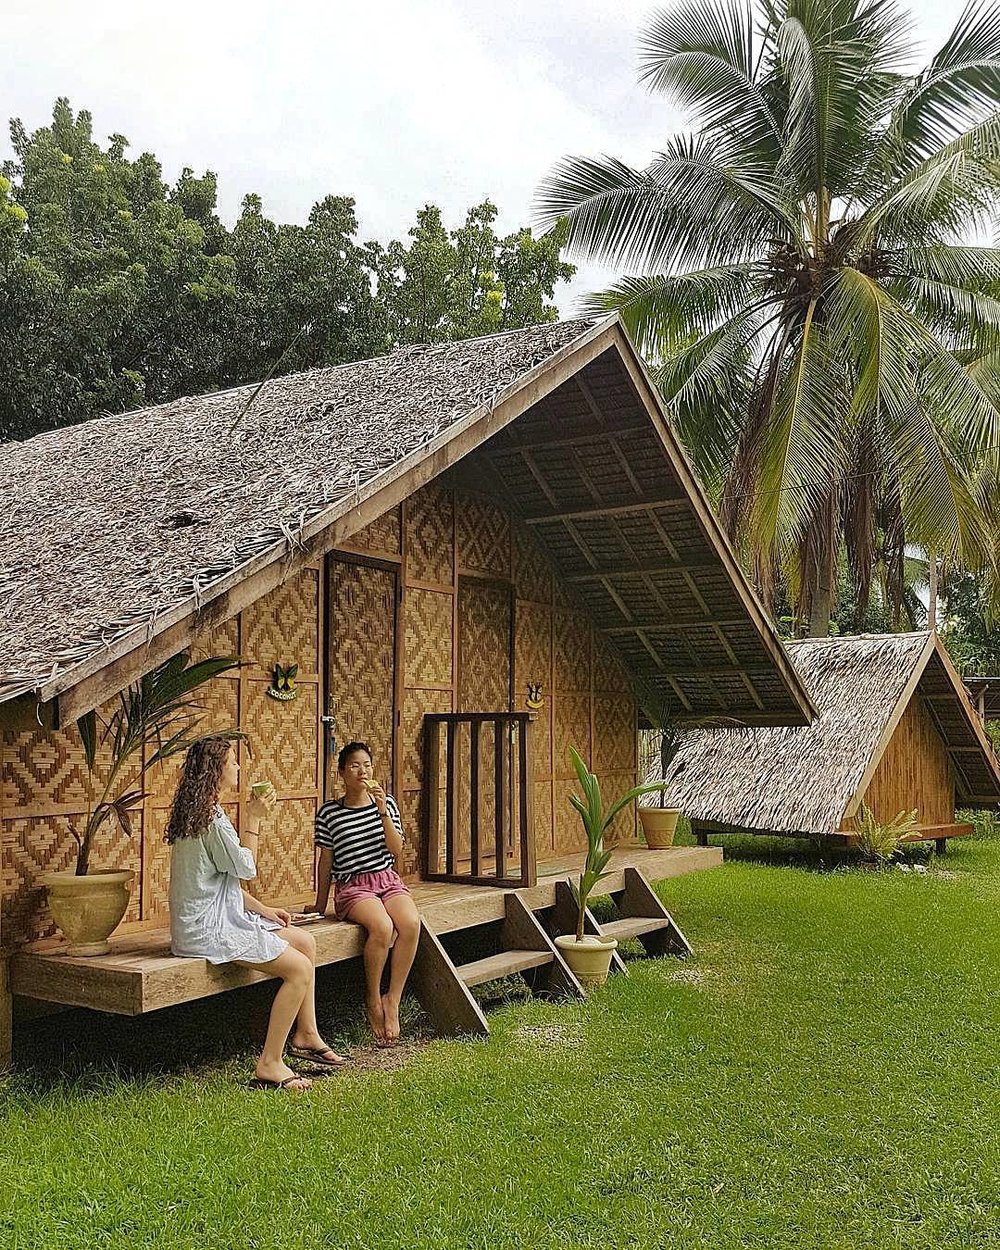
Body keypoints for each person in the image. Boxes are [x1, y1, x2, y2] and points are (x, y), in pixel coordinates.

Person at [167, 736, 347, 1090]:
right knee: (298, 970)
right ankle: (270, 1063)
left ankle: (306, 1033)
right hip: (207, 930)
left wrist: (263, 909)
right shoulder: (211, 821)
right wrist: (254, 820)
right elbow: (245, 868)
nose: (238, 768)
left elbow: (219, 883)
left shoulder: (199, 812)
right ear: (216, 771)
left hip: (212, 918)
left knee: (305, 942)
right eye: (233, 762)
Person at [313, 741, 420, 1045]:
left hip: (386, 879)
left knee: (411, 923)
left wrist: (384, 811)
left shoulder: (386, 805)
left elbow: (397, 851)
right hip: (353, 885)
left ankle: (393, 1000)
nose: (363, 771)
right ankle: (372, 1000)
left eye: (368, 765)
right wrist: (321, 906)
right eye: (355, 766)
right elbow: (326, 861)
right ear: (342, 773)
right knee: (383, 927)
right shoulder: (329, 814)